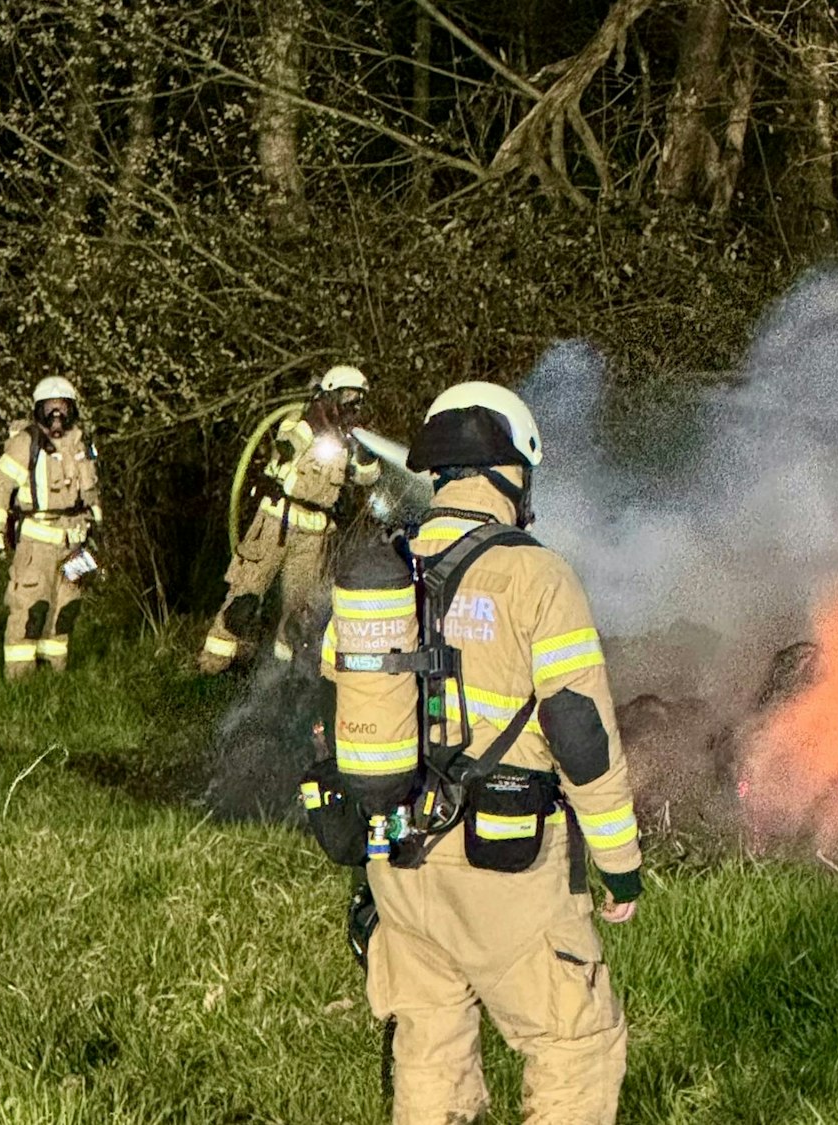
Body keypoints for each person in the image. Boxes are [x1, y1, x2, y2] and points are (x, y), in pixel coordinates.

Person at [319, 380, 642, 1125]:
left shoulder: (385, 573)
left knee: (431, 1048)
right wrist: (618, 861)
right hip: (509, 868)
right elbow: (582, 735)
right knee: (576, 1043)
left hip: (400, 861)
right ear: (513, 471)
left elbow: (340, 702)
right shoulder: (537, 575)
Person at [198, 365, 381, 673]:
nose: (354, 404)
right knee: (245, 597)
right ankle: (212, 664)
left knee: (300, 611)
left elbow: (367, 477)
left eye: (358, 399)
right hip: (276, 521)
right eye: (348, 397)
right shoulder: (303, 421)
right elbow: (286, 442)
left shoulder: (349, 438)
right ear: (331, 395)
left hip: (315, 532)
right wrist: (316, 423)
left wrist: (362, 451)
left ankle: (282, 675)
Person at [0, 376, 101, 681]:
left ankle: (53, 675)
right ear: (39, 410)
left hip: (74, 544)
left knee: (65, 610)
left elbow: (91, 492)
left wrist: (95, 529)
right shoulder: (26, 443)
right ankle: (20, 678)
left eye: (62, 407)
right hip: (36, 545)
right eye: (50, 408)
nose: (56, 415)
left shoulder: (81, 445)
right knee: (30, 609)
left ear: (72, 408)